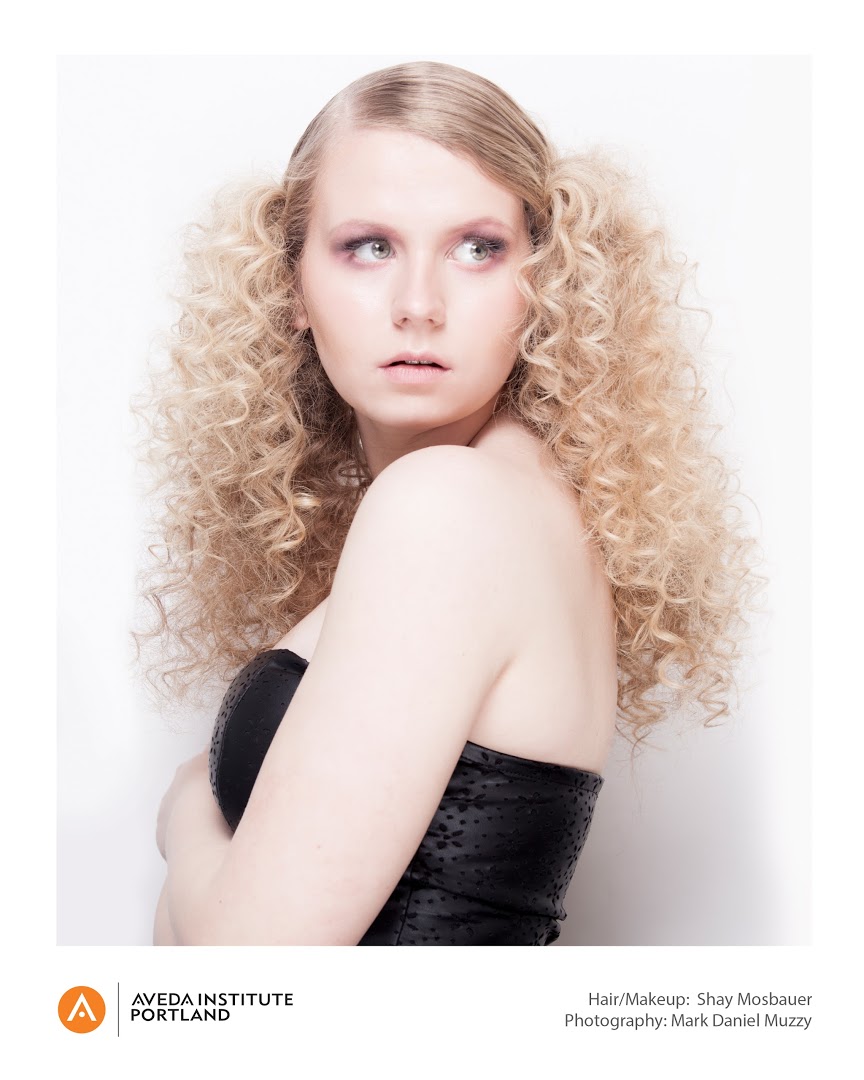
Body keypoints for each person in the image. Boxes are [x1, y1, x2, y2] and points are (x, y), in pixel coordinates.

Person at [139, 61, 759, 946]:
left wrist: (186, 812)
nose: (419, 305)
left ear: (547, 284)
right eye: (370, 247)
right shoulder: (519, 495)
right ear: (291, 290)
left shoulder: (448, 507)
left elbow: (250, 973)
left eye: (477, 249)